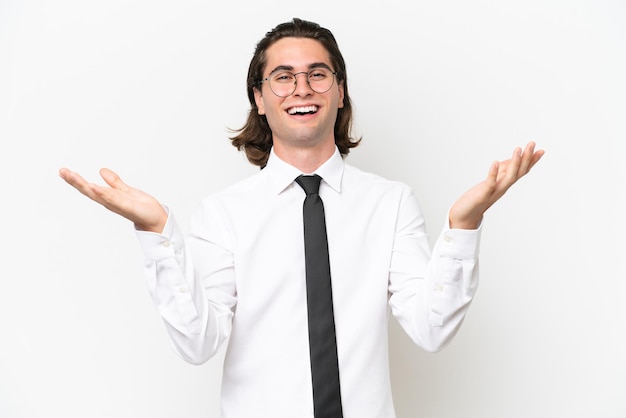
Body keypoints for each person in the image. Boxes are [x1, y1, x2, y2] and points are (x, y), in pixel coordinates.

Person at [59, 18, 544, 418]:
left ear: (338, 91)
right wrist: (157, 232)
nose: (301, 89)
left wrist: (463, 226)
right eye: (283, 77)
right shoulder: (222, 215)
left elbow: (431, 329)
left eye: (318, 74)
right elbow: (198, 343)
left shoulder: (391, 203)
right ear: (259, 98)